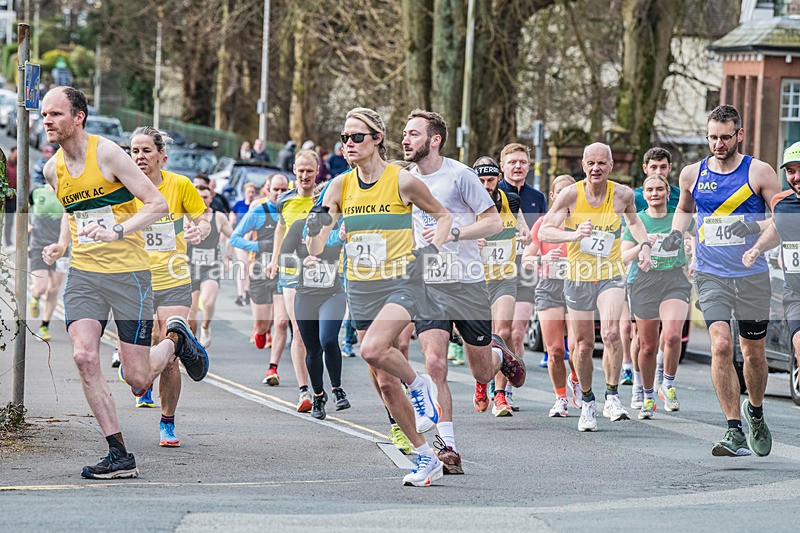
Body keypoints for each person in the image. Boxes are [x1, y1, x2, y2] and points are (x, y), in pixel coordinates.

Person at [40, 86, 208, 478]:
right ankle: (119, 453)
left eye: (56, 114)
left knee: (136, 376)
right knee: (83, 356)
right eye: (45, 115)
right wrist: (63, 245)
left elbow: (156, 204)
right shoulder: (53, 170)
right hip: (84, 274)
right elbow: (73, 212)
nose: (47, 121)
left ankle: (176, 341)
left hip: (129, 273)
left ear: (78, 116)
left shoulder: (109, 154)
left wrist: (118, 230)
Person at [307, 106, 452, 487]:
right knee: (385, 382)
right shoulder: (338, 186)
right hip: (360, 287)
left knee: (373, 349)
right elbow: (316, 248)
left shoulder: (402, 180)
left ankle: (420, 386)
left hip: (401, 281)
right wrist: (316, 225)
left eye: (357, 137)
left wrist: (431, 252)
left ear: (377, 139)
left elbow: (444, 217)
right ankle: (425, 458)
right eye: (344, 138)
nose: (348, 144)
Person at [402, 109, 526, 474]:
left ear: (434, 139)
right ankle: (448, 447)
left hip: (468, 280)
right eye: (404, 134)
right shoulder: (406, 179)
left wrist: (454, 232)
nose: (406, 140)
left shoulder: (460, 176)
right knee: (435, 362)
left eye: (413, 134)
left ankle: (499, 356)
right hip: (429, 281)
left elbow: (492, 220)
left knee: (483, 374)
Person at [662, 105, 780, 457]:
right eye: (712, 137)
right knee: (721, 345)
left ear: (739, 135)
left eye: (725, 137)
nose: (717, 143)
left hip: (752, 275)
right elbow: (684, 210)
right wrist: (674, 234)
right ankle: (733, 430)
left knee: (754, 356)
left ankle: (755, 412)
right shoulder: (691, 174)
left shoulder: (759, 172)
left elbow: (782, 220)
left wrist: (751, 227)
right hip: (712, 274)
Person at [539, 142, 653, 432]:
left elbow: (635, 222)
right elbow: (545, 230)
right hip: (578, 274)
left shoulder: (623, 194)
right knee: (583, 345)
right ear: (583, 165)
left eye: (602, 163)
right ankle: (588, 402)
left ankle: (612, 396)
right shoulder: (570, 195)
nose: (596, 168)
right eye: (591, 163)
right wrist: (574, 234)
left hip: (610, 272)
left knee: (613, 332)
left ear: (611, 166)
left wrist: (645, 247)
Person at [120, 126, 212, 436]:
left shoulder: (180, 185)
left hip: (173, 276)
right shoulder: (122, 188)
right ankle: (143, 377)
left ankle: (167, 422)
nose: (139, 156)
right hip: (135, 279)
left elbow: (204, 217)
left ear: (162, 156)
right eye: (134, 150)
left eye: (146, 150)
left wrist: (201, 229)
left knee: (168, 350)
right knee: (141, 350)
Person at [621, 174, 693, 419]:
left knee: (672, 335)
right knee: (648, 346)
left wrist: (690, 247)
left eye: (659, 189)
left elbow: (696, 236)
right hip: (645, 282)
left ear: (667, 192)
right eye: (650, 190)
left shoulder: (678, 215)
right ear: (644, 193)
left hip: (674, 279)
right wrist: (642, 246)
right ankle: (648, 395)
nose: (655, 194)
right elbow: (623, 256)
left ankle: (669, 385)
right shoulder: (637, 220)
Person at [742, 141, 800, 434]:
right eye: (791, 171)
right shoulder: (782, 202)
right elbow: (777, 229)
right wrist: (755, 249)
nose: (796, 176)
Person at [283, 182, 349, 420]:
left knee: (328, 339)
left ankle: (338, 389)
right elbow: (283, 256)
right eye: (320, 201)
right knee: (312, 349)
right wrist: (302, 263)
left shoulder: (342, 226)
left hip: (333, 292)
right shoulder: (301, 227)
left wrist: (345, 240)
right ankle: (319, 396)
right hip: (306, 295)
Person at [523, 174, 579, 417]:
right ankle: (560, 398)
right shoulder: (543, 223)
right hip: (549, 286)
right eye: (561, 191)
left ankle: (576, 378)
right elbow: (526, 260)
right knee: (555, 350)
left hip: (578, 285)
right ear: (554, 196)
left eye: (571, 191)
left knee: (578, 347)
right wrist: (542, 259)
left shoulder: (583, 221)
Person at [267, 152, 317, 411]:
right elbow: (280, 229)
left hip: (321, 271)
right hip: (291, 269)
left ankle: (319, 384)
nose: (305, 176)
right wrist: (275, 259)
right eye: (300, 171)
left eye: (309, 171)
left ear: (316, 171)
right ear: (294, 171)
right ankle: (304, 391)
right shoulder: (284, 199)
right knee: (298, 330)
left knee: (319, 334)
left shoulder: (323, 198)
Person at [229, 174, 291, 386]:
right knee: (262, 324)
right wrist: (259, 247)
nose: (280, 194)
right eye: (276, 190)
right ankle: (261, 332)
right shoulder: (259, 211)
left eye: (284, 190)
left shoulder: (291, 210)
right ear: (268, 190)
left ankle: (272, 368)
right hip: (260, 273)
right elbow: (235, 238)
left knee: (282, 321)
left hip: (283, 272)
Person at [473, 156, 521, 417]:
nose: (486, 185)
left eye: (490, 180)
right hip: (476, 281)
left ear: (499, 178)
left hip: (504, 277)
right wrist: (470, 242)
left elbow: (525, 227)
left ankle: (500, 395)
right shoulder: (466, 204)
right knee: (480, 338)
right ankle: (482, 382)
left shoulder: (511, 201)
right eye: (480, 181)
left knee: (503, 330)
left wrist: (526, 235)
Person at [497, 143, 545, 401]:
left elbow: (543, 233)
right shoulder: (492, 192)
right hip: (497, 270)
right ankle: (494, 384)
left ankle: (508, 387)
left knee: (517, 332)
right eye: (512, 162)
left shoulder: (537, 197)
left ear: (529, 166)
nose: (517, 166)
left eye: (522, 162)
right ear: (502, 165)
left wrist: (537, 247)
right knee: (500, 331)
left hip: (525, 269)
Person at [187, 184, 233, 347]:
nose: (202, 200)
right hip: (190, 267)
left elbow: (233, 237)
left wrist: (227, 255)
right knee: (190, 312)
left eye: (205, 197)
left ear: (211, 198)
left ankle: (206, 327)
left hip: (211, 267)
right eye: (198, 197)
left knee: (208, 301)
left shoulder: (218, 217)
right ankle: (191, 342)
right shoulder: (187, 216)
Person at [28, 182, 67, 341]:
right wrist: (27, 224)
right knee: (41, 287)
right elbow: (22, 208)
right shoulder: (37, 192)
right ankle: (35, 296)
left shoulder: (66, 193)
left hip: (61, 247)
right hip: (38, 245)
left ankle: (44, 326)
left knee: (53, 288)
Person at [229, 182, 259, 306]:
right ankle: (241, 294)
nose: (251, 194)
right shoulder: (239, 204)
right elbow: (232, 214)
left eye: (253, 192)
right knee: (243, 265)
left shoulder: (256, 207)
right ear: (244, 192)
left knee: (250, 268)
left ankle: (246, 291)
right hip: (241, 239)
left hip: (253, 240)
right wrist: (232, 220)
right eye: (249, 192)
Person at [2, 147, 17, 249]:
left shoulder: (19, 167)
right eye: (15, 153)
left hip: (12, 199)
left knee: (9, 221)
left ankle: (8, 243)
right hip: (3, 197)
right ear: (11, 153)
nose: (16, 156)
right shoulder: (4, 166)